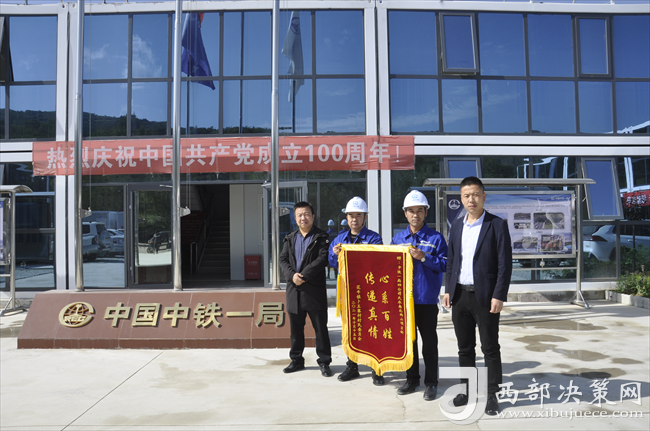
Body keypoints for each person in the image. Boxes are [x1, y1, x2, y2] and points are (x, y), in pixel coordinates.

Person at [442, 176, 512, 416]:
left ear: (484, 196)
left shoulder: (496, 225)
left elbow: (504, 264)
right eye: (466, 195)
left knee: (490, 347)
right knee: (464, 348)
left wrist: (499, 294)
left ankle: (492, 395)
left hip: (486, 297)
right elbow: (452, 261)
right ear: (461, 199)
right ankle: (467, 391)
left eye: (475, 194)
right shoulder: (457, 225)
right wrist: (448, 289)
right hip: (460, 295)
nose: (470, 199)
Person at [390, 190, 448, 401]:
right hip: (404, 301)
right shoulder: (398, 239)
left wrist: (424, 257)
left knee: (429, 343)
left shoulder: (436, 238)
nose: (416, 215)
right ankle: (412, 379)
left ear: (426, 212)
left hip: (426, 299)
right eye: (411, 211)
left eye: (420, 211)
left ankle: (431, 383)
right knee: (409, 343)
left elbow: (446, 264)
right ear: (405, 213)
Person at [328, 197, 384, 386]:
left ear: (365, 217)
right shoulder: (339, 239)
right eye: (351, 215)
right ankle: (352, 365)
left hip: (369, 292)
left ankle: (376, 368)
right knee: (351, 330)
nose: (354, 219)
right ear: (346, 217)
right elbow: (331, 262)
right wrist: (336, 254)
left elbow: (377, 263)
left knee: (372, 330)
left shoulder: (374, 238)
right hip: (348, 292)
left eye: (358, 215)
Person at [279, 201, 333, 377]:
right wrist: (292, 276)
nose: (303, 218)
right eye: (300, 215)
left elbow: (322, 259)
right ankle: (296, 360)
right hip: (294, 291)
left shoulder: (322, 237)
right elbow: (283, 260)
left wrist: (302, 276)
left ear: (313, 216)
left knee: (320, 329)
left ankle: (324, 362)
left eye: (307, 214)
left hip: (314, 291)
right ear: (295, 218)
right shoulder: (289, 238)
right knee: (296, 330)